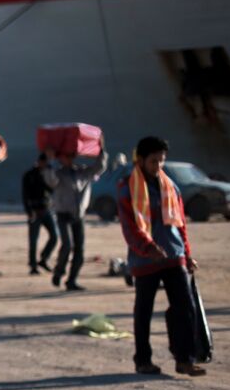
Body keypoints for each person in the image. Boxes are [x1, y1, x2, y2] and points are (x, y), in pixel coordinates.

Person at [118, 136, 204, 376]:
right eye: (154, 161)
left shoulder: (170, 186)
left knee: (185, 307)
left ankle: (184, 358)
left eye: (161, 161)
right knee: (143, 311)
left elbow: (180, 224)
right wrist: (148, 247)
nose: (158, 167)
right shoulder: (127, 188)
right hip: (145, 259)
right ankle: (143, 360)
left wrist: (186, 254)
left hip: (173, 255)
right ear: (141, 160)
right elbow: (129, 227)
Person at [43, 138, 107, 291]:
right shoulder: (57, 173)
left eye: (71, 155)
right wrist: (50, 160)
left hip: (78, 216)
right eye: (66, 156)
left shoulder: (82, 172)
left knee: (80, 250)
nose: (69, 158)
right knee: (66, 245)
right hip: (63, 214)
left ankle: (71, 280)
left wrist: (101, 149)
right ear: (60, 157)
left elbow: (100, 167)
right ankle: (59, 271)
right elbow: (50, 181)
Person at [21, 154, 57, 275]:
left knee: (55, 236)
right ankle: (33, 265)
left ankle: (44, 258)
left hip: (46, 209)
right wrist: (29, 211)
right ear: (39, 162)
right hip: (35, 211)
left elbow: (52, 189)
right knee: (33, 240)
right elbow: (25, 195)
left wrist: (49, 175)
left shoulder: (47, 174)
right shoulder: (29, 175)